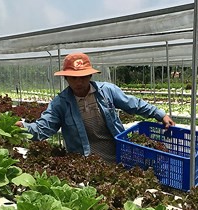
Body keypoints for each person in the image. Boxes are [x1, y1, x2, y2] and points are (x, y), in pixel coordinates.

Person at [15, 52, 175, 162]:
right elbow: (45, 127)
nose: (79, 82)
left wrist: (159, 114)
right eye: (73, 78)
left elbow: (133, 104)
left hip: (118, 154)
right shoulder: (60, 103)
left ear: (90, 75)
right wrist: (24, 128)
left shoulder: (107, 91)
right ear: (66, 79)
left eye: (83, 77)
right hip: (85, 161)